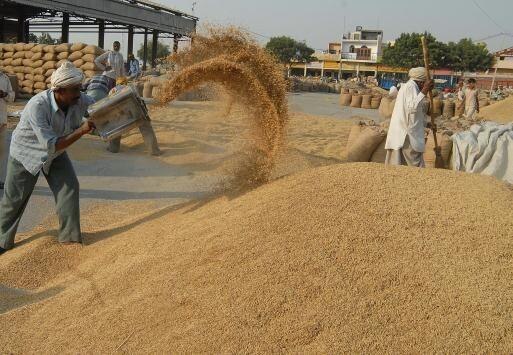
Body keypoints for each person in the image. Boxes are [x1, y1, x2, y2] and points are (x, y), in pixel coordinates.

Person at [0, 62, 96, 255]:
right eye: (74, 90)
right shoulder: (38, 106)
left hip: (56, 153)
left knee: (69, 187)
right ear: (59, 90)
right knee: (14, 200)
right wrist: (81, 131)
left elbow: (98, 106)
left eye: (80, 88)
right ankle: (3, 242)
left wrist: (117, 100)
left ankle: (69, 238)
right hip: (27, 153)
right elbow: (52, 144)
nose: (79, 93)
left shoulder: (78, 99)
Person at [384, 67, 434, 168]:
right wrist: (424, 91)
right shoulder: (410, 87)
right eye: (425, 84)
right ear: (421, 82)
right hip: (407, 133)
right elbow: (412, 108)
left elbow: (413, 114)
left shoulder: (411, 87)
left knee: (402, 165)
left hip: (407, 130)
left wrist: (427, 124)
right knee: (415, 165)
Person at [106, 79, 162, 156]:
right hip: (136, 109)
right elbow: (139, 100)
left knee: (116, 127)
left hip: (122, 112)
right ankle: (154, 151)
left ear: (117, 84)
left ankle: (113, 148)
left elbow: (110, 105)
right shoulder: (131, 87)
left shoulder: (112, 90)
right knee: (146, 128)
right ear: (125, 82)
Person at [0, 69, 15, 190]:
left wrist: (4, 94)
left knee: (1, 152)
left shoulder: (4, 78)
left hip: (2, 121)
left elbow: (12, 96)